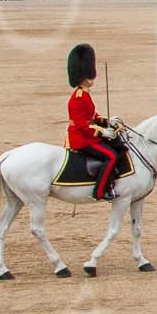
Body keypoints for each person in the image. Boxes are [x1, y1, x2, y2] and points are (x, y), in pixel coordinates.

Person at [65, 43, 121, 200]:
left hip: (88, 135)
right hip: (80, 139)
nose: (92, 77)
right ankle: (100, 191)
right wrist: (102, 131)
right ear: (82, 78)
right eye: (88, 75)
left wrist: (108, 121)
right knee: (111, 156)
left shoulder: (85, 94)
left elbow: (92, 115)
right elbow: (81, 124)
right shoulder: (77, 98)